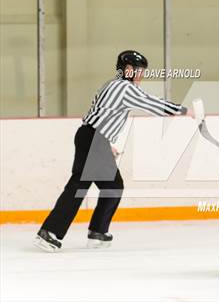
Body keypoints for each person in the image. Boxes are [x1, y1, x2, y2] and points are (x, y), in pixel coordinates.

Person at [34, 50, 188, 252]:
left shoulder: (111, 84)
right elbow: (152, 103)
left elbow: (97, 113)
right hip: (94, 139)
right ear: (128, 69)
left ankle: (91, 231)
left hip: (91, 137)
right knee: (89, 185)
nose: (142, 75)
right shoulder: (125, 87)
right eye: (139, 71)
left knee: (106, 185)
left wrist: (104, 143)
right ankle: (52, 232)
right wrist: (184, 111)